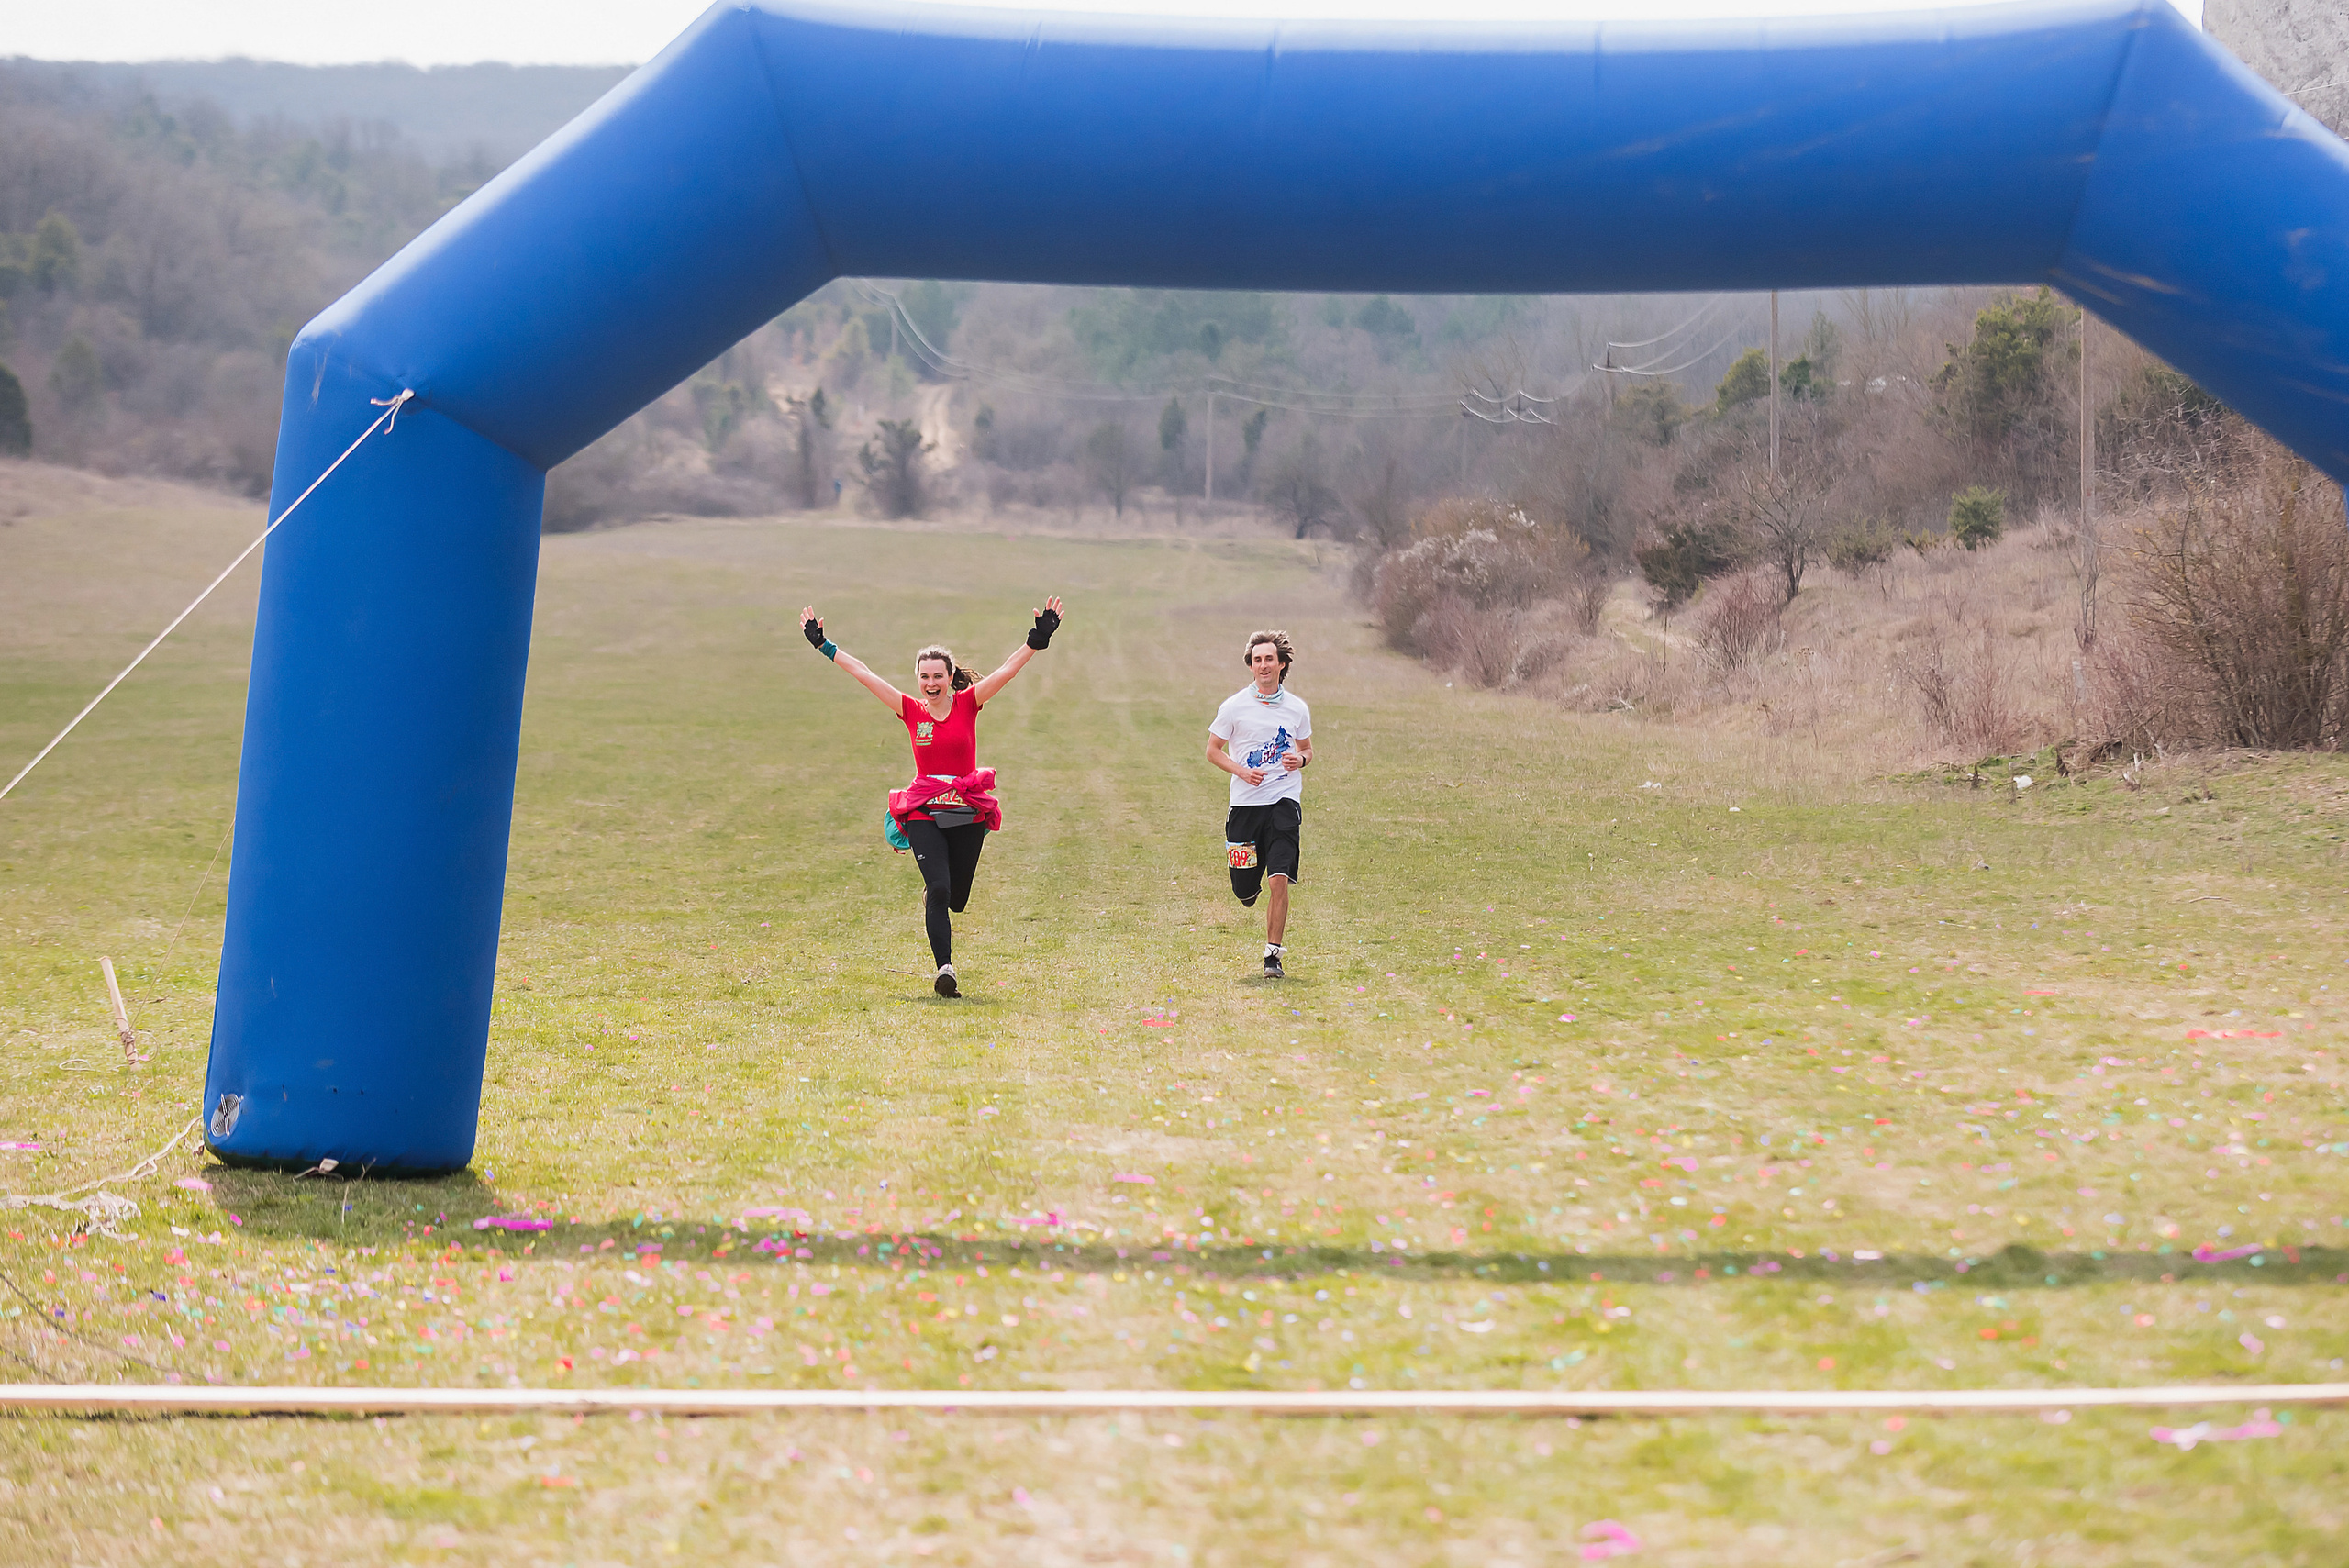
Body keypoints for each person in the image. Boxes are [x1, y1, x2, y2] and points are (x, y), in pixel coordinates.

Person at [800, 597, 1063, 996]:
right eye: (924, 677)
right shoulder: (910, 710)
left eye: (938, 676)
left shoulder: (969, 703)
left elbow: (1006, 672)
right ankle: (945, 969)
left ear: (950, 675)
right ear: (918, 679)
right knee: (938, 888)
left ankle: (937, 897)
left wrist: (1037, 638)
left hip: (966, 811)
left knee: (956, 899)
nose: (931, 684)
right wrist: (825, 645)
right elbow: (865, 675)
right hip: (923, 809)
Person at [1206, 629, 1312, 979]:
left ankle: (1272, 956)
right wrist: (1241, 771)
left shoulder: (1297, 708)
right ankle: (1248, 885)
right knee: (1245, 889)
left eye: (1269, 659)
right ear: (1250, 667)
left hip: (1284, 802)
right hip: (1245, 807)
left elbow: (1307, 748)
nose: (1263, 665)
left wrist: (1301, 759)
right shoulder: (1234, 706)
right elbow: (1212, 750)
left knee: (1279, 880)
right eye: (1257, 660)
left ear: (1282, 664)